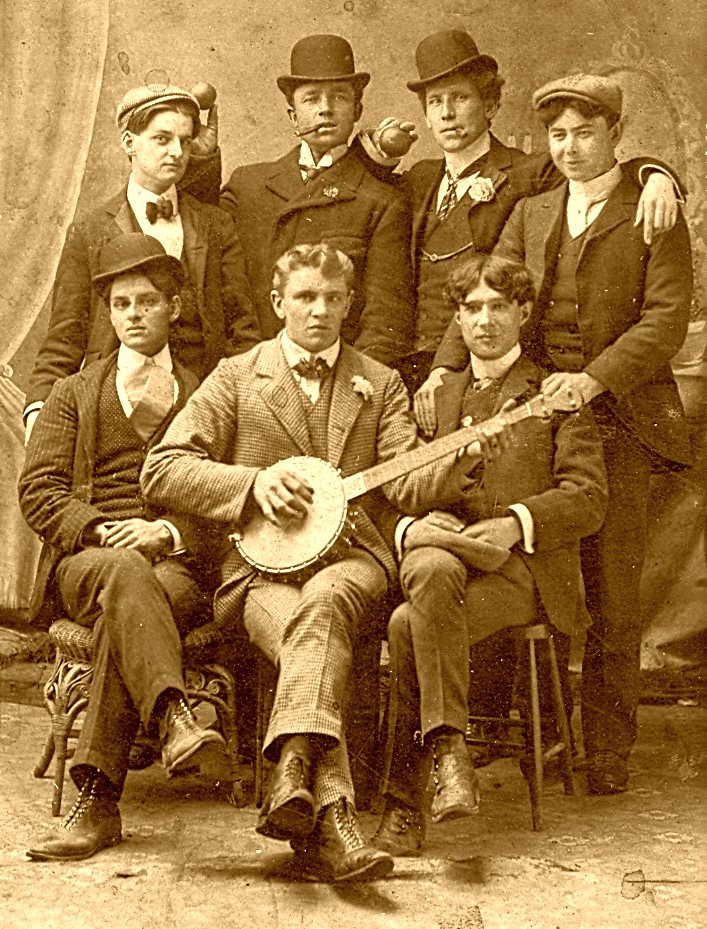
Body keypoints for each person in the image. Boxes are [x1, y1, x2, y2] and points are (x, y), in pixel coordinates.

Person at [141, 243, 490, 882]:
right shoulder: (236, 377)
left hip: (353, 562)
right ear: (279, 303)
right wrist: (253, 485)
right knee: (313, 631)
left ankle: (297, 777)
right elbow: (161, 467)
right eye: (305, 296)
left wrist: (458, 461)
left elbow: (405, 484)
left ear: (350, 304)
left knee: (326, 601)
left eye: (333, 298)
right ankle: (332, 818)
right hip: (260, 576)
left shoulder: (380, 382)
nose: (320, 310)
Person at [480, 74, 691, 795]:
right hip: (539, 419)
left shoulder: (650, 211)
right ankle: (540, 731)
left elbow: (662, 323)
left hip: (620, 420)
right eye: (557, 134)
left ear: (612, 135)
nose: (568, 148)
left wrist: (592, 381)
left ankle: (604, 748)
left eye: (584, 133)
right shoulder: (533, 210)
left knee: (611, 592)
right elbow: (493, 287)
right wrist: (448, 375)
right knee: (529, 567)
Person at [371, 253, 608, 857]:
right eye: (471, 308)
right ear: (457, 317)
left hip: (520, 571)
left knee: (408, 620)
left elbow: (587, 498)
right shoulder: (432, 397)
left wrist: (516, 522)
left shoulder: (552, 392)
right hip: (446, 570)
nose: (484, 320)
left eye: (498, 306)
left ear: (523, 312)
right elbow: (403, 484)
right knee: (422, 574)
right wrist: (426, 514)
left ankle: (403, 806)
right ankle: (450, 755)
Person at [20, 234, 225, 862]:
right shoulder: (72, 393)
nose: (133, 314)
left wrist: (168, 533)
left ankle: (98, 802)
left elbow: (226, 501)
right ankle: (174, 716)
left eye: (147, 302)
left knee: (131, 601)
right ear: (108, 314)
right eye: (120, 304)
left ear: (175, 309)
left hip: (177, 568)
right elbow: (39, 491)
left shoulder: (210, 393)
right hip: (88, 560)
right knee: (122, 574)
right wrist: (102, 530)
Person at [359, 29, 683, 402]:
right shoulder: (418, 179)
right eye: (435, 103)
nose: (447, 113)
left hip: (481, 363)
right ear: (427, 116)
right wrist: (379, 153)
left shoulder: (527, 171)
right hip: (414, 365)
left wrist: (657, 174)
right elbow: (357, 192)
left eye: (460, 98)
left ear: (492, 106)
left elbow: (594, 162)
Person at [23, 82, 260, 443]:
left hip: (202, 402)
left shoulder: (214, 224)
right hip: (115, 405)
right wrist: (39, 408)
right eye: (162, 139)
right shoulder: (90, 231)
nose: (177, 152)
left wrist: (237, 405)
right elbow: (65, 336)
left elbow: (242, 327)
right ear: (129, 143)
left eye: (184, 140)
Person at [216, 34, 415, 366]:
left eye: (339, 97)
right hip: (253, 374)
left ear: (357, 110)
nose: (325, 109)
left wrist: (350, 387)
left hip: (338, 378)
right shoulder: (247, 186)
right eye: (311, 99)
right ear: (293, 115)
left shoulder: (381, 200)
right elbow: (214, 277)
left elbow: (385, 322)